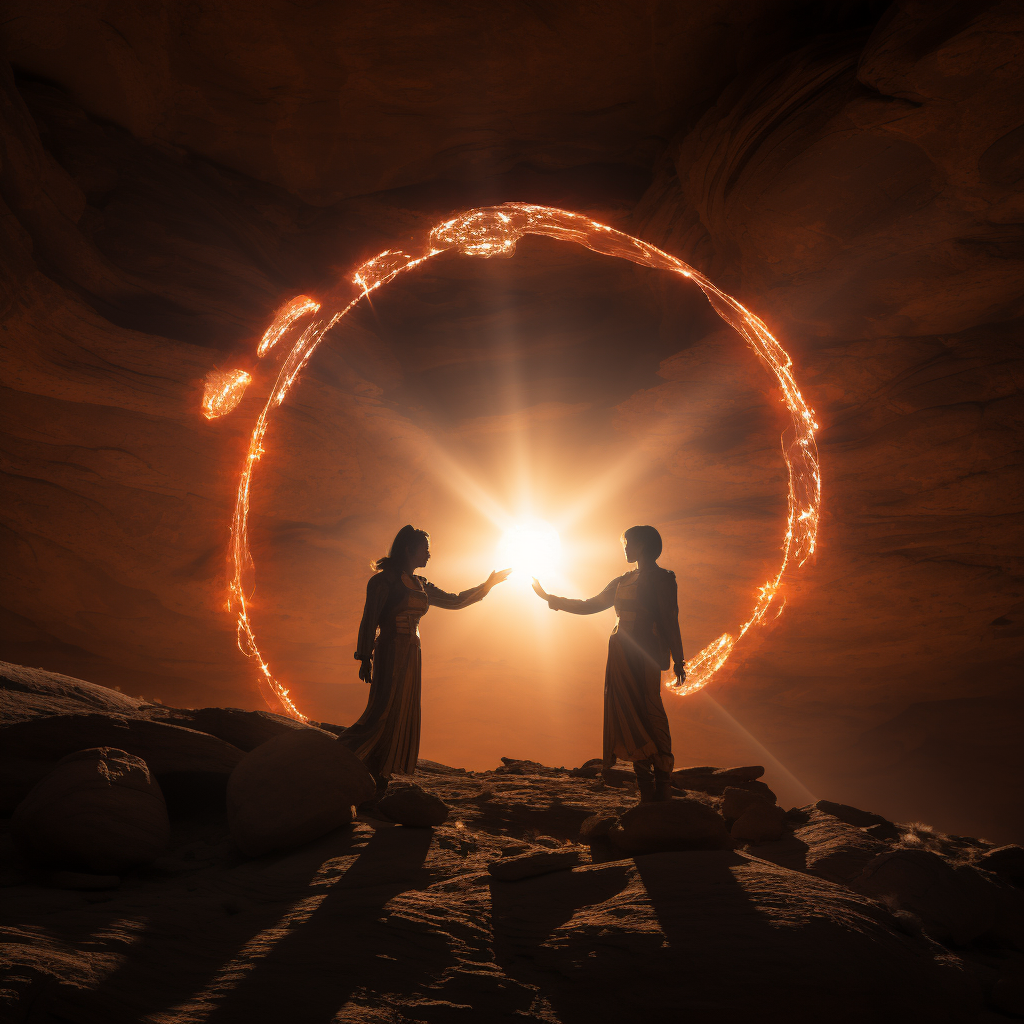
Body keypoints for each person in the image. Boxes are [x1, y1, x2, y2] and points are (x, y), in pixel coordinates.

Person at [343, 525, 510, 799]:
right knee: (381, 709)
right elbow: (369, 619)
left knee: (401, 712)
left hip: (412, 653)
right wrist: (364, 656)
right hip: (390, 650)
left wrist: (487, 585)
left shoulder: (421, 584)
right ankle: (342, 757)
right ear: (409, 549)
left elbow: (456, 601)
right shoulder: (383, 582)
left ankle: (382, 777)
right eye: (425, 549)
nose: (429, 554)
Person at [532, 525, 684, 802]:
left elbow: (669, 619)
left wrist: (679, 659)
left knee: (650, 708)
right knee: (627, 712)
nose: (625, 548)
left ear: (642, 545)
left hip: (646, 653)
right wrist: (550, 598)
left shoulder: (663, 579)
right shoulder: (623, 580)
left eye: (629, 543)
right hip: (620, 653)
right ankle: (646, 789)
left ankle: (662, 780)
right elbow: (590, 604)